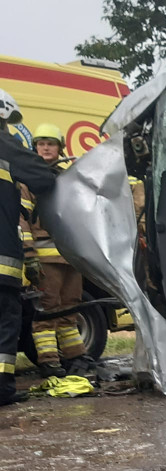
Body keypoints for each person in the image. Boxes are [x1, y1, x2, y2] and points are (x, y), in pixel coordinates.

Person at [20, 123, 91, 377]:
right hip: (45, 258)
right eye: (41, 144)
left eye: (51, 143)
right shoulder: (28, 179)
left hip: (71, 258)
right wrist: (29, 256)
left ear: (60, 148)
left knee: (70, 308)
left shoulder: (67, 177)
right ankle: (49, 361)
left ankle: (75, 357)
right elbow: (23, 220)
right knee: (47, 310)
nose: (46, 148)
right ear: (35, 148)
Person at [0, 91, 57, 406]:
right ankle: (1, 389)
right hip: (2, 261)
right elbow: (42, 178)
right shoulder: (5, 144)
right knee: (5, 321)